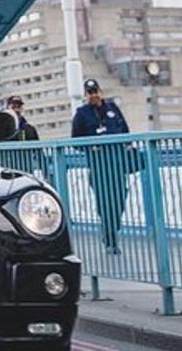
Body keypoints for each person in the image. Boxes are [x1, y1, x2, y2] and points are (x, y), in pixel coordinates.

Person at [72, 79, 131, 254]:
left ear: (100, 91)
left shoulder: (112, 108)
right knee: (105, 203)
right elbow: (75, 141)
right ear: (86, 95)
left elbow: (125, 131)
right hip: (98, 166)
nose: (93, 95)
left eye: (95, 91)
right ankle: (110, 239)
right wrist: (91, 146)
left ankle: (113, 228)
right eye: (89, 92)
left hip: (117, 163)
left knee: (120, 198)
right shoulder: (82, 114)